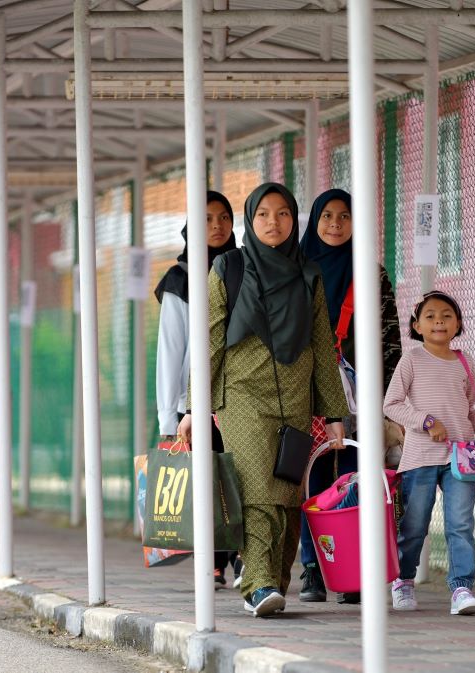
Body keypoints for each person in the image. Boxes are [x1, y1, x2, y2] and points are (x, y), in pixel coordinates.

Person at [176, 182, 349, 618]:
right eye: (264, 215)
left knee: (288, 496)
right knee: (257, 489)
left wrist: (333, 413)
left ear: (294, 220)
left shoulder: (307, 274)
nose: (274, 222)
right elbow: (210, 341)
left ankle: (275, 581)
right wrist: (196, 407)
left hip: (294, 399)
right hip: (241, 398)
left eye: (283, 214)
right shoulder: (228, 270)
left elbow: (322, 347)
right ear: (251, 221)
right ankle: (258, 582)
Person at [297, 188, 402, 605]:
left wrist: (388, 397)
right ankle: (313, 569)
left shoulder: (371, 273)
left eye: (345, 216)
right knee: (316, 475)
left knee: (359, 476)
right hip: (310, 388)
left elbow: (390, 335)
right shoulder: (299, 269)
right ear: (315, 222)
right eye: (327, 217)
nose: (336, 225)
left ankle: (355, 569)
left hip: (363, 389)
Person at [382, 291, 475, 616]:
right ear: (417, 325)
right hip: (420, 458)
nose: (439, 321)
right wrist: (425, 421)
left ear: (458, 324)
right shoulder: (412, 360)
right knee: (415, 525)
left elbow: (472, 408)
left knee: (460, 524)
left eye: (447, 315)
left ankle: (461, 588)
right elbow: (390, 404)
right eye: (430, 316)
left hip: (460, 459)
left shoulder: (464, 361)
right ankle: (403, 580)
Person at [154, 190, 241, 589]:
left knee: (239, 475)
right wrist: (167, 414)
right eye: (206, 219)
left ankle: (238, 553)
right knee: (209, 478)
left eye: (224, 217)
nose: (218, 225)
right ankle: (214, 558)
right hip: (195, 400)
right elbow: (171, 348)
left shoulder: (245, 268)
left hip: (240, 390)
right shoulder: (181, 279)